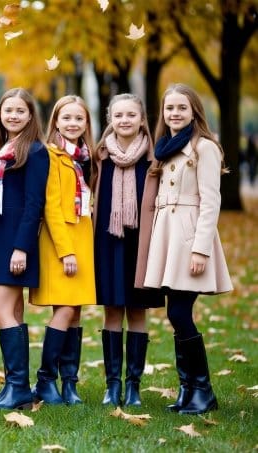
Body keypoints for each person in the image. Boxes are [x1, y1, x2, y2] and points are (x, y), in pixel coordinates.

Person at [137, 83, 232, 415]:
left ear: (194, 112)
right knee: (174, 314)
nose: (174, 113)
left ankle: (202, 390)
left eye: (181, 108)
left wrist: (200, 249)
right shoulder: (164, 148)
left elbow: (211, 201)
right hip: (167, 236)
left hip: (188, 237)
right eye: (169, 108)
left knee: (179, 312)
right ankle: (188, 389)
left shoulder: (203, 147)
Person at [91, 93, 165, 407]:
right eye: (118, 115)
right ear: (110, 118)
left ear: (141, 118)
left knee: (136, 311)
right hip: (107, 241)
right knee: (111, 311)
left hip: (141, 244)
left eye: (131, 115)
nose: (124, 120)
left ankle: (133, 386)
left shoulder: (155, 157)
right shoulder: (99, 156)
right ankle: (112, 386)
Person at [0, 88, 49, 410]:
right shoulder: (3, 151)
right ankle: (16, 387)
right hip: (0, 238)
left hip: (17, 242)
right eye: (8, 110)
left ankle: (18, 386)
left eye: (20, 111)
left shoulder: (34, 151)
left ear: (30, 115)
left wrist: (21, 248)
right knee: (14, 312)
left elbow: (35, 204)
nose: (13, 116)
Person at [29, 95, 96, 405]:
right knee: (65, 309)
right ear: (55, 121)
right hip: (62, 239)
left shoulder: (86, 157)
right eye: (66, 118)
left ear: (86, 123)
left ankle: (69, 384)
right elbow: (51, 207)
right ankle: (45, 380)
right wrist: (65, 251)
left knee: (76, 311)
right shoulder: (51, 155)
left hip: (83, 235)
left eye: (78, 119)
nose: (72, 123)